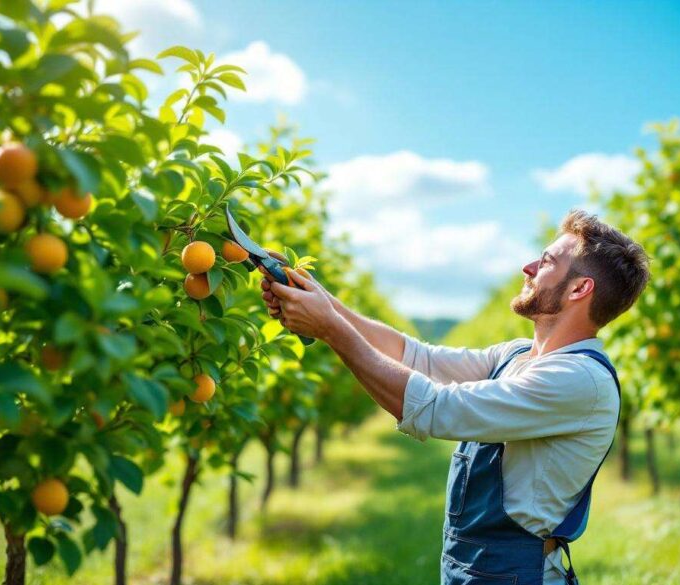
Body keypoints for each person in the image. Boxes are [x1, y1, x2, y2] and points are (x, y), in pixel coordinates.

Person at [259, 209, 650, 585]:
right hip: (475, 565)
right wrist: (323, 301)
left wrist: (329, 329)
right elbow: (415, 357)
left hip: (513, 572)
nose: (527, 267)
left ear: (580, 288)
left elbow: (435, 408)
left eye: (546, 262)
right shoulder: (518, 355)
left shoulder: (577, 380)